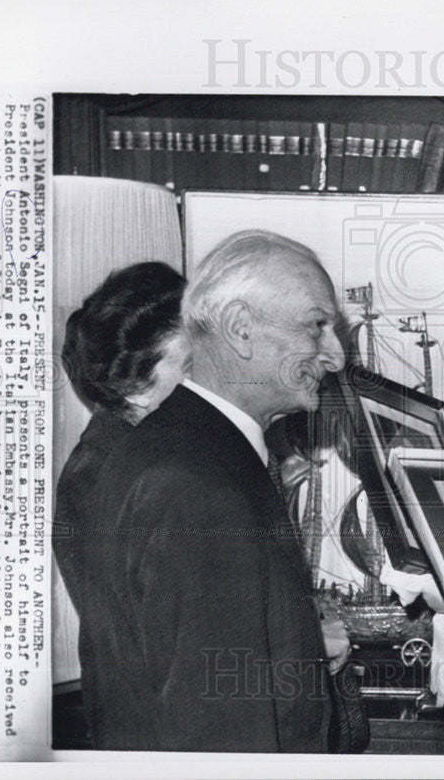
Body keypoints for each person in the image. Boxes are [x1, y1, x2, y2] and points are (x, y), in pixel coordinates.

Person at [82, 231, 349, 752]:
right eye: (317, 326)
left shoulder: (182, 447)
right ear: (240, 330)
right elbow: (219, 731)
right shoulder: (198, 486)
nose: (335, 356)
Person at [53, 261, 190, 703]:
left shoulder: (143, 454)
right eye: (191, 365)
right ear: (136, 388)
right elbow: (168, 649)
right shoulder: (108, 478)